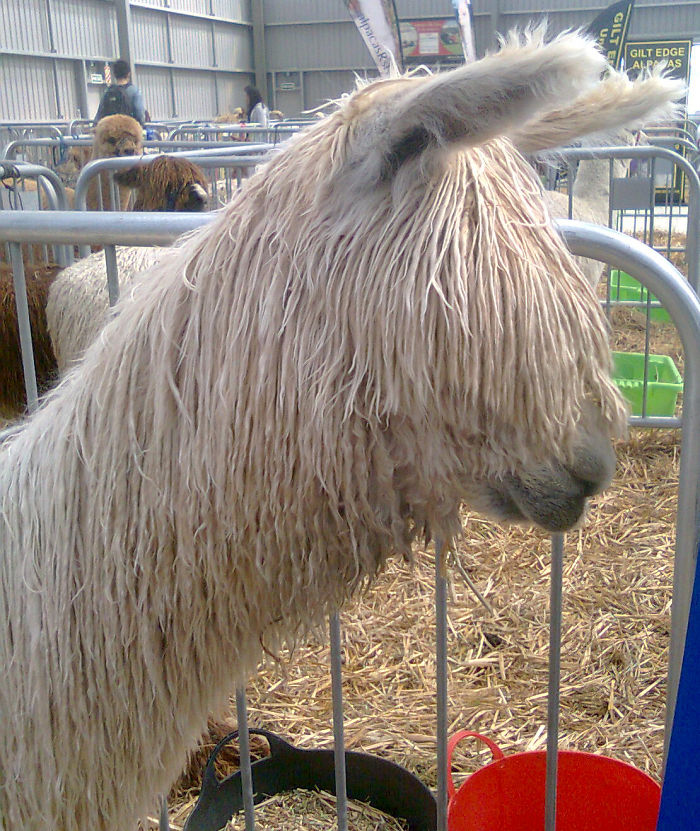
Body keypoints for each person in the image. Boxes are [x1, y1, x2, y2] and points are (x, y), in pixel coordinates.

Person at [94, 60, 146, 126]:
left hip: (110, 130)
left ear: (114, 74)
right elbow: (140, 115)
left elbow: (99, 115)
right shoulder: (134, 91)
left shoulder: (108, 91)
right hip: (128, 129)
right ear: (128, 74)